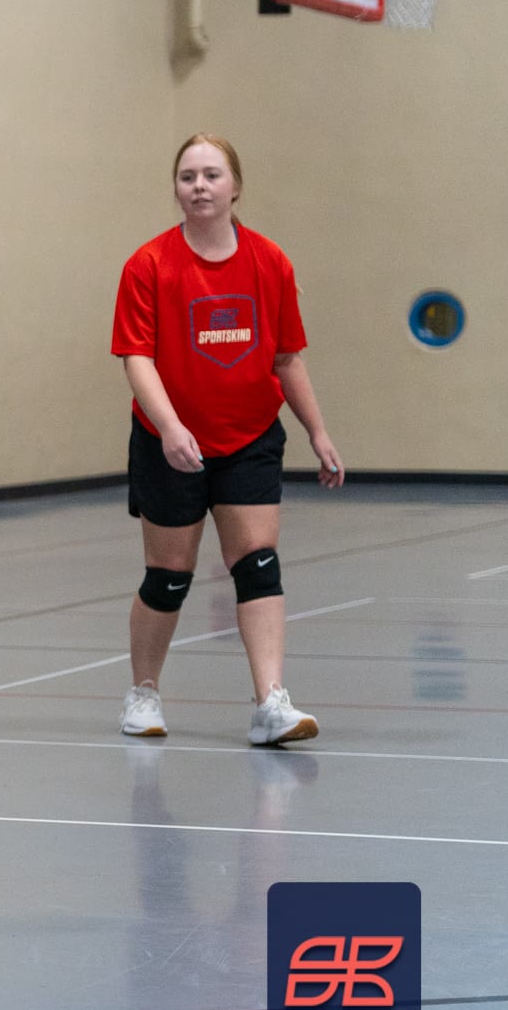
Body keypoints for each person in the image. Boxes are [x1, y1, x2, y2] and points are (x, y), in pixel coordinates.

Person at [110, 134, 344, 747]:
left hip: (249, 439)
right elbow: (137, 357)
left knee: (258, 565)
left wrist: (317, 432)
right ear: (177, 189)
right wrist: (170, 429)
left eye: (212, 175)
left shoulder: (270, 262)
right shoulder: (149, 265)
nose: (200, 186)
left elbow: (286, 356)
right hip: (171, 442)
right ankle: (144, 694)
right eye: (188, 177)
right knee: (168, 576)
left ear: (236, 185)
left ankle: (270, 703)